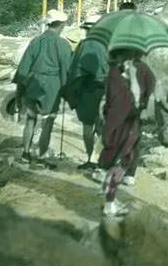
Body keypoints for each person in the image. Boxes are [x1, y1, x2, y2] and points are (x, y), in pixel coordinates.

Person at [98, 47, 155, 217]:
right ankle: (109, 203)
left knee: (119, 162)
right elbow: (124, 101)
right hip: (120, 125)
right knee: (116, 164)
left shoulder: (129, 71)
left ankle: (111, 199)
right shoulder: (117, 74)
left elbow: (147, 94)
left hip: (124, 124)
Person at [13, 9, 73, 168]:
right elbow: (66, 70)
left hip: (33, 83)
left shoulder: (36, 41)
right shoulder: (63, 44)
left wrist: (20, 90)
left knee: (31, 120)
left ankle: (25, 154)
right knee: (47, 122)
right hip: (51, 86)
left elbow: (24, 67)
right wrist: (68, 91)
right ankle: (40, 157)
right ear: (60, 25)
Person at [64, 14, 108, 170]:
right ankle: (104, 159)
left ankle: (91, 159)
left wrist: (70, 89)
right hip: (107, 89)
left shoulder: (86, 44)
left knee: (88, 127)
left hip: (89, 89)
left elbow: (76, 69)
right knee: (103, 127)